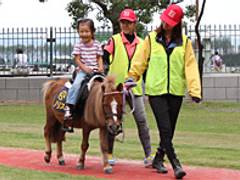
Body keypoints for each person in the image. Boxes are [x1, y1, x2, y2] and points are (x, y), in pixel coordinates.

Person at [127, 4, 201, 179]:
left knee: (169, 130)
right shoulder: (151, 39)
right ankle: (175, 163)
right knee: (165, 128)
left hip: (175, 91)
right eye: (165, 20)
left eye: (170, 22)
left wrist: (194, 90)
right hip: (155, 91)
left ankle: (158, 158)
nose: (166, 24)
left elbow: (190, 67)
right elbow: (139, 61)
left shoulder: (185, 42)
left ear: (177, 23)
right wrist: (132, 77)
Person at [103, 8, 152, 167]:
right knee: (112, 121)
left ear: (134, 24)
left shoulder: (143, 43)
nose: (125, 25)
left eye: (128, 22)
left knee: (142, 121)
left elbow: (146, 67)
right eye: (123, 22)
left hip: (134, 89)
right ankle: (109, 153)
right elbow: (103, 57)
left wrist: (148, 86)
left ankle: (148, 155)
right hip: (116, 90)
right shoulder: (114, 40)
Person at [63, 18, 104, 132]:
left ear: (92, 32)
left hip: (95, 71)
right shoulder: (78, 45)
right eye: (81, 31)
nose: (84, 34)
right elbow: (77, 59)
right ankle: (69, 106)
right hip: (82, 71)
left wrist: (100, 68)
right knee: (76, 85)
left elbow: (99, 57)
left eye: (86, 31)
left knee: (106, 86)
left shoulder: (97, 44)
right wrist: (84, 68)